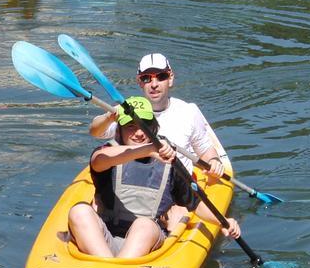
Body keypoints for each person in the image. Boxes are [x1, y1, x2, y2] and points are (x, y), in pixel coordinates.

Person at [68, 96, 241, 259]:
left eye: (143, 126)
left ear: (153, 128)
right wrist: (148, 149)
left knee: (144, 225)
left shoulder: (170, 163)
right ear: (119, 131)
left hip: (144, 245)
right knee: (79, 211)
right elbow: (98, 161)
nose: (138, 133)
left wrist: (223, 222)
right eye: (130, 126)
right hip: (104, 243)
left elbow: (195, 203)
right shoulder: (108, 154)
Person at [89, 53, 226, 179]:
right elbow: (95, 131)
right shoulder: (127, 110)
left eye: (161, 77)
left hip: (177, 188)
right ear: (140, 82)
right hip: (136, 185)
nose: (154, 84)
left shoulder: (188, 112)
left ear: (170, 78)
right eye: (146, 78)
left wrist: (214, 161)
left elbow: (206, 151)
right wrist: (108, 117)